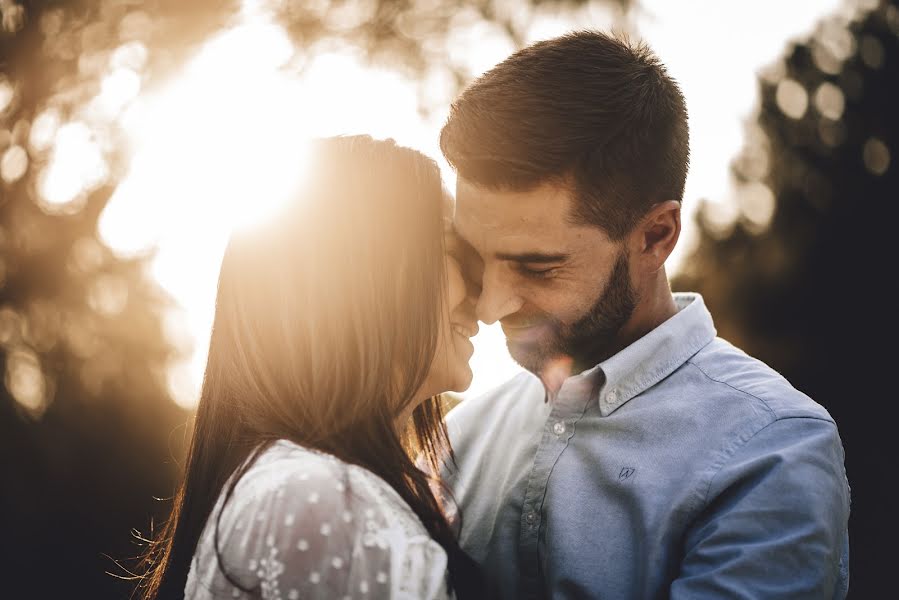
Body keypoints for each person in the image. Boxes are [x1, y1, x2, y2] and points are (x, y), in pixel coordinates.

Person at [438, 31, 851, 599]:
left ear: (656, 237)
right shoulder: (461, 436)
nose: (488, 306)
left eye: (536, 267)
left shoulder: (770, 450)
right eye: (475, 257)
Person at [137, 135, 483, 599]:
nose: (483, 294)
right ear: (370, 274)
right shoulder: (320, 497)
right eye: (459, 254)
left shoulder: (304, 487)